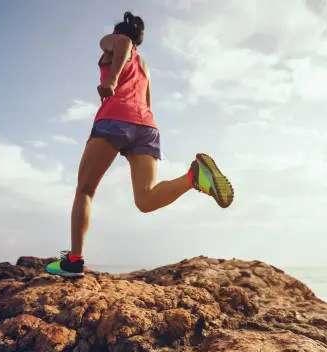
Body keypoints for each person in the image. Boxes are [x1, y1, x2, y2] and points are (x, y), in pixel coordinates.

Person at [45, 11, 234, 277]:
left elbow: (122, 43)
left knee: (85, 190)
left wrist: (111, 79)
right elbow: (147, 102)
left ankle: (73, 262)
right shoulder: (144, 67)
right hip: (146, 126)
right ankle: (193, 177)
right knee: (145, 200)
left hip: (114, 119)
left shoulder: (116, 41)